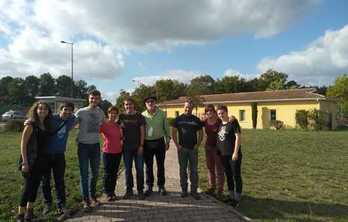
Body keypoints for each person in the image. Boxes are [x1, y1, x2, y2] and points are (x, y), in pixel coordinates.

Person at [17, 102, 52, 222]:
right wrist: (24, 162)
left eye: (45, 109)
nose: (42, 111)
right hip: (30, 161)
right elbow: (23, 144)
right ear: (36, 110)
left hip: (42, 161)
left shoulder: (46, 124)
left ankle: (29, 213)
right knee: (27, 188)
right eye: (40, 108)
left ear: (48, 111)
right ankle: (20, 215)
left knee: (35, 187)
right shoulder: (30, 125)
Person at [41, 102, 76, 217]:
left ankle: (61, 205)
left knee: (59, 181)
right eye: (65, 109)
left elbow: (77, 117)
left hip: (60, 155)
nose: (67, 112)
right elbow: (37, 120)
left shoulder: (71, 119)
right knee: (46, 181)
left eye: (70, 110)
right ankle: (48, 203)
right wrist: (28, 121)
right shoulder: (50, 118)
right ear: (60, 109)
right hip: (46, 155)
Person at [75, 90, 105, 210]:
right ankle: (86, 200)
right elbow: (70, 123)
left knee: (95, 173)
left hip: (95, 146)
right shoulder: (81, 112)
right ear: (88, 98)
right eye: (92, 98)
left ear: (99, 99)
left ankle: (93, 196)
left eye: (96, 98)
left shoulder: (101, 112)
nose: (94, 100)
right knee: (84, 173)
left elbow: (106, 124)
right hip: (83, 146)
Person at [172, 98, 203, 200]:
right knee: (182, 170)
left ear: (192, 108)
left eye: (189, 107)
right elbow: (173, 133)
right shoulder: (178, 119)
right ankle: (184, 190)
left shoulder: (196, 120)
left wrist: (197, 145)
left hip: (193, 149)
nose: (187, 109)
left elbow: (201, 133)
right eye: (186, 107)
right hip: (182, 149)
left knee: (193, 170)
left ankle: (194, 191)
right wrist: (177, 145)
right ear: (183, 107)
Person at [142, 96, 171, 196]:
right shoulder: (142, 115)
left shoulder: (162, 113)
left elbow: (167, 128)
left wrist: (167, 141)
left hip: (159, 142)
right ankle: (149, 186)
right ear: (145, 104)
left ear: (155, 103)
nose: (150, 103)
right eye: (148, 102)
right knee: (148, 166)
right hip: (147, 143)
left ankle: (161, 186)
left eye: (152, 101)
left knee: (160, 165)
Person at [118, 98, 146, 200]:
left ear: (134, 105)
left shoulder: (139, 116)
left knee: (139, 169)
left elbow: (142, 131)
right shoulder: (121, 116)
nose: (128, 106)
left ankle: (140, 190)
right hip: (126, 148)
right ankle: (129, 190)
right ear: (124, 106)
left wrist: (141, 145)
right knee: (128, 170)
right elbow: (118, 129)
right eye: (126, 105)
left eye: (130, 104)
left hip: (138, 147)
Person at [216, 105, 242, 207]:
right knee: (229, 176)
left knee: (236, 176)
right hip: (223, 156)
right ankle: (231, 196)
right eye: (219, 114)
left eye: (222, 113)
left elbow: (238, 137)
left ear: (227, 112)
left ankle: (237, 198)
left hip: (233, 155)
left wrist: (235, 152)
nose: (221, 115)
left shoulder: (233, 122)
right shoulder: (220, 124)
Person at [99, 106, 123, 201]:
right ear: (107, 114)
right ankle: (107, 192)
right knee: (108, 173)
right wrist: (104, 137)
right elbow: (97, 131)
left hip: (118, 151)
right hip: (108, 152)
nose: (113, 115)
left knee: (114, 173)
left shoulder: (118, 125)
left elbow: (121, 136)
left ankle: (112, 191)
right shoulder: (104, 124)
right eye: (111, 113)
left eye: (114, 113)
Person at [202, 104, 224, 197]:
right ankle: (212, 187)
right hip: (208, 147)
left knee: (219, 169)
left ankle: (220, 190)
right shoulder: (205, 121)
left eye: (211, 111)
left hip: (217, 148)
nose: (209, 112)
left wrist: (232, 117)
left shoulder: (219, 121)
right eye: (207, 111)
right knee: (210, 168)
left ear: (214, 112)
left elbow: (228, 120)